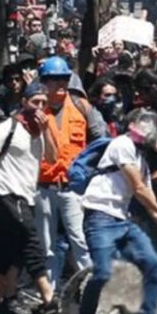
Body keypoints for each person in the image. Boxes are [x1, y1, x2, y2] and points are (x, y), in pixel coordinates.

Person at [78, 111, 157, 314]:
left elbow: (146, 193)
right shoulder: (122, 144)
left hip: (122, 219)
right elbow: (139, 188)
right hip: (100, 216)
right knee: (102, 272)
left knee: (153, 265)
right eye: (144, 124)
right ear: (131, 125)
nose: (149, 129)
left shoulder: (141, 159)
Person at [0, 83, 59, 314]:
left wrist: (47, 129)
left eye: (43, 103)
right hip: (7, 194)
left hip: (28, 196)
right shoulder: (9, 127)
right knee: (32, 239)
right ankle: (48, 296)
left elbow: (53, 158)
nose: (39, 107)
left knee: (11, 249)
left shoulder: (39, 132)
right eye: (35, 102)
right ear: (24, 102)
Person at [35, 57, 96, 290]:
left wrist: (88, 173)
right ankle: (49, 295)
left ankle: (90, 289)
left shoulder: (82, 108)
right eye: (53, 79)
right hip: (44, 185)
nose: (59, 84)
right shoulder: (37, 110)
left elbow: (100, 141)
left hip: (73, 186)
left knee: (80, 241)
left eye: (63, 79)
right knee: (47, 245)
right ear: (44, 82)